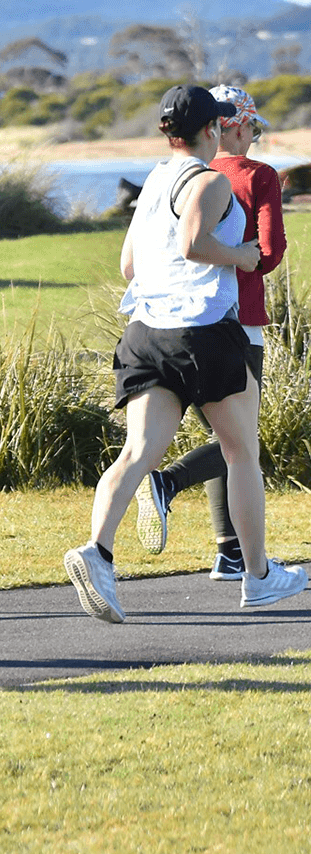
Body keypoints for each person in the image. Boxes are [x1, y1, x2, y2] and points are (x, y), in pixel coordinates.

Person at [65, 85, 305, 623]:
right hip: (200, 333)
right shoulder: (210, 180)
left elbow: (129, 265)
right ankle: (259, 576)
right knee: (242, 452)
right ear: (214, 128)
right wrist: (242, 256)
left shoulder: (153, 179)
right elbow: (194, 244)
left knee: (136, 453)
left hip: (143, 335)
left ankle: (97, 552)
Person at [134, 85, 286, 580]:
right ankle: (169, 483)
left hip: (167, 321)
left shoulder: (176, 175)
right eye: (251, 128)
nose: (253, 138)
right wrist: (246, 260)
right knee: (242, 443)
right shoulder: (256, 175)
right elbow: (270, 250)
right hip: (235, 317)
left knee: (226, 439)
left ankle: (229, 550)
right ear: (228, 126)